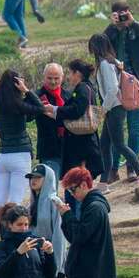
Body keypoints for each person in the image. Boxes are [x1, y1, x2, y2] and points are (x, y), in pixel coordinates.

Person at [0, 69, 51, 253]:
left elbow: (26, 115)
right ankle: (10, 238)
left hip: (3, 155)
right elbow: (39, 109)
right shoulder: (18, 103)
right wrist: (27, 90)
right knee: (15, 200)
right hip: (20, 154)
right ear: (17, 83)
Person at [56, 167, 116, 278]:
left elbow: (79, 236)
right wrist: (67, 217)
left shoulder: (94, 207)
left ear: (84, 185)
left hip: (89, 272)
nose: (72, 194)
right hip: (86, 272)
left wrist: (67, 216)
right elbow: (75, 236)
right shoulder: (91, 206)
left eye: (73, 189)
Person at [90, 34, 139, 186]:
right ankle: (104, 183)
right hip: (113, 108)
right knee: (105, 145)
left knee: (119, 144)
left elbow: (112, 89)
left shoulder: (105, 64)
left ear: (96, 47)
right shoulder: (112, 61)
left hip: (114, 108)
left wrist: (103, 109)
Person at [103, 2, 139, 183]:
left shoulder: (135, 28)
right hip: (115, 85)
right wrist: (113, 26)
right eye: (119, 15)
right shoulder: (111, 31)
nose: (122, 17)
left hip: (135, 84)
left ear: (130, 13)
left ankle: (132, 168)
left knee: (134, 129)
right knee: (116, 131)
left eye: (125, 14)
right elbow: (101, 46)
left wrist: (132, 23)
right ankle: (114, 168)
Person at [26, 164, 68, 278]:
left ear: (47, 179)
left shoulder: (53, 201)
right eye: (31, 177)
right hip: (38, 264)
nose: (33, 180)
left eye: (37, 177)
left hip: (53, 262)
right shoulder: (31, 204)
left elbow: (59, 236)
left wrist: (57, 265)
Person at [50, 60, 104, 188]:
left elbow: (77, 110)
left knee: (77, 179)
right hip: (85, 140)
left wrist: (56, 110)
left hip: (81, 142)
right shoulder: (87, 87)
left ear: (77, 73)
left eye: (70, 73)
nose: (68, 77)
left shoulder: (82, 88)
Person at [32, 63, 71, 180]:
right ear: (44, 77)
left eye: (56, 78)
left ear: (62, 78)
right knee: (50, 187)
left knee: (72, 188)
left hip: (69, 147)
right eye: (49, 78)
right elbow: (28, 117)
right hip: (49, 148)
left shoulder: (68, 95)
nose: (53, 82)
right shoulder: (36, 96)